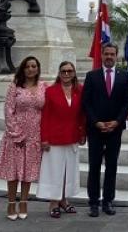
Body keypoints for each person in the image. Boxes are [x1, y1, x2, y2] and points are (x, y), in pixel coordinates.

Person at [82, 43, 128, 218]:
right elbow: (86, 102)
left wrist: (117, 122)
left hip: (115, 130)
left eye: (112, 54)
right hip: (95, 130)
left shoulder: (125, 76)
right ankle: (93, 203)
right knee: (94, 166)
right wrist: (96, 122)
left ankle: (108, 201)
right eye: (106, 54)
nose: (109, 57)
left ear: (117, 56)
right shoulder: (91, 76)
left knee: (111, 166)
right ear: (101, 55)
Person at [0, 56, 46, 221]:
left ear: (37, 69)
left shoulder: (43, 86)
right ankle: (11, 202)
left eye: (34, 66)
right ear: (23, 69)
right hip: (15, 135)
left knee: (28, 171)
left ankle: (23, 202)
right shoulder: (14, 86)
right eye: (28, 66)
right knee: (14, 170)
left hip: (35, 135)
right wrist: (16, 133)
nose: (31, 69)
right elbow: (8, 111)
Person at [37, 61, 86, 219]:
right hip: (54, 138)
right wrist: (44, 138)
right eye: (63, 71)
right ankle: (53, 202)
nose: (66, 74)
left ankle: (63, 200)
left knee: (68, 171)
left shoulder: (80, 90)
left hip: (72, 136)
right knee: (54, 171)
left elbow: (82, 115)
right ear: (59, 73)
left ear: (74, 73)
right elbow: (45, 117)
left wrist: (83, 133)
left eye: (69, 71)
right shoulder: (50, 91)